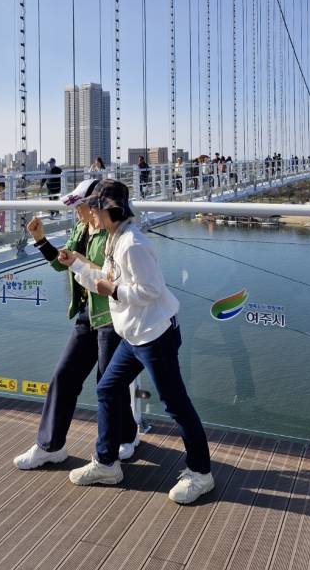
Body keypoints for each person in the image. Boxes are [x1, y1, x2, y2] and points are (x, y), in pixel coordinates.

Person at [58, 178, 214, 505]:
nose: (91, 214)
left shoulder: (133, 244)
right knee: (107, 389)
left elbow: (151, 291)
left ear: (111, 210)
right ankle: (106, 464)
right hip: (133, 336)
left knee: (175, 404)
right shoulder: (116, 238)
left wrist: (114, 291)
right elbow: (106, 278)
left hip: (155, 337)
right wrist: (75, 264)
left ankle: (201, 473)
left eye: (96, 208)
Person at [13, 178, 139, 471]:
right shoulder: (82, 228)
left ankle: (126, 436)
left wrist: (81, 262)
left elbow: (115, 278)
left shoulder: (115, 233)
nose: (78, 212)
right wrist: (41, 240)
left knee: (108, 383)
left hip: (111, 316)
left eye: (81, 206)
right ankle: (50, 446)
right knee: (65, 376)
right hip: (87, 314)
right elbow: (62, 263)